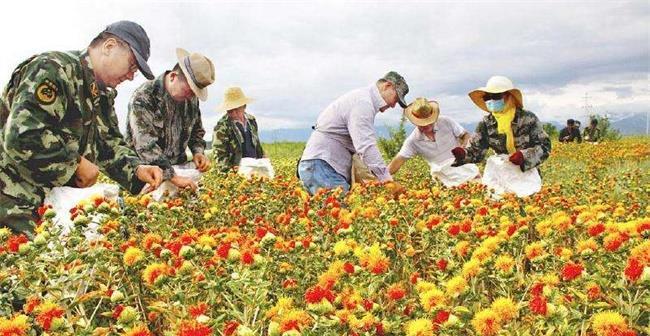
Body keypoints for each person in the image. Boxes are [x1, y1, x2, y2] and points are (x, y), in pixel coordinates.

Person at [0, 21, 163, 237]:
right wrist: (75, 165)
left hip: (54, 201)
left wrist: (137, 170)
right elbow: (23, 136)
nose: (131, 76)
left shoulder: (101, 95)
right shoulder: (54, 69)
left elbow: (108, 145)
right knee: (39, 264)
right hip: (14, 197)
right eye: (132, 65)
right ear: (109, 46)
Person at [298, 71, 409, 195]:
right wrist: (387, 181)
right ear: (387, 86)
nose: (394, 105)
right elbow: (366, 146)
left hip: (320, 166)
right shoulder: (363, 103)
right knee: (342, 211)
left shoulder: (363, 99)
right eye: (396, 98)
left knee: (335, 210)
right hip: (323, 166)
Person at [127, 48, 215, 191]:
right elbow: (145, 146)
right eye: (189, 91)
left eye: (194, 94)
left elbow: (196, 131)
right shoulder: (144, 98)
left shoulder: (190, 99)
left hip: (179, 171)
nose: (191, 97)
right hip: (147, 177)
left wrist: (198, 152)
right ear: (173, 76)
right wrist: (173, 177)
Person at [451, 75, 551, 172]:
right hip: (501, 171)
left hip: (526, 171)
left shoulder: (527, 118)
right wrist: (463, 154)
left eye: (495, 96)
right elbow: (476, 150)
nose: (491, 100)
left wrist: (523, 157)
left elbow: (544, 146)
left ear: (508, 96)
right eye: (487, 97)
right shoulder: (486, 123)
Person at [388, 97, 470, 175]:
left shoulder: (446, 122)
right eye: (422, 123)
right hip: (443, 177)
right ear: (415, 122)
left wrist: (464, 147)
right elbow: (398, 161)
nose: (426, 125)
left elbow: (465, 135)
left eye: (428, 120)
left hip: (464, 168)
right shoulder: (413, 141)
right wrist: (381, 177)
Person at [211, 87, 265, 171]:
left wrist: (263, 160)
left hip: (254, 168)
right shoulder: (221, 127)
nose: (233, 113)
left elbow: (257, 145)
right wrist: (230, 170)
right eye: (230, 111)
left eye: (236, 109)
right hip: (235, 172)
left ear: (244, 106)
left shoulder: (251, 121)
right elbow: (219, 155)